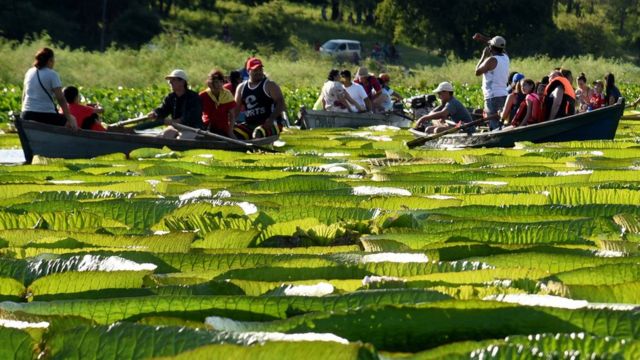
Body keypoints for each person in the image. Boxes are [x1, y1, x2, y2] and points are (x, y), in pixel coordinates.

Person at [20, 48, 77, 129]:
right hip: (45, 115)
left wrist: (23, 113)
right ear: (50, 60)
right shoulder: (52, 74)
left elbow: (24, 96)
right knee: (72, 120)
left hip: (26, 114)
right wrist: (69, 117)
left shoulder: (29, 72)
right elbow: (60, 98)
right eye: (53, 60)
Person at [138, 69, 202, 138]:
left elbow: (192, 116)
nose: (170, 83)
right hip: (176, 126)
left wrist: (175, 121)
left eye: (173, 80)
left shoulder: (194, 97)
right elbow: (163, 109)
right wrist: (155, 113)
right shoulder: (171, 97)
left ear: (182, 82)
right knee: (164, 136)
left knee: (181, 138)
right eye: (170, 81)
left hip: (192, 128)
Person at [232, 57, 285, 139]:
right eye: (255, 70)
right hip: (250, 125)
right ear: (248, 71)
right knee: (233, 132)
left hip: (270, 123)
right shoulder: (241, 87)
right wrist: (230, 125)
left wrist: (271, 119)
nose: (259, 72)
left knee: (258, 133)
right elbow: (235, 110)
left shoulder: (269, 85)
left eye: (260, 70)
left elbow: (281, 103)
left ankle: (258, 145)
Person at [475, 36, 510, 130]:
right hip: (504, 94)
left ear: (490, 48)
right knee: (502, 122)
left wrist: (483, 56)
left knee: (494, 124)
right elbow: (498, 46)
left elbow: (477, 72)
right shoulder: (506, 57)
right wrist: (483, 39)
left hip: (492, 97)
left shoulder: (491, 60)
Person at [200, 69, 237, 137]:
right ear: (210, 83)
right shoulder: (203, 95)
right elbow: (197, 113)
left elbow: (232, 115)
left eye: (221, 81)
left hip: (223, 128)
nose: (219, 84)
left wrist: (230, 131)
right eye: (216, 82)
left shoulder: (227, 94)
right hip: (207, 127)